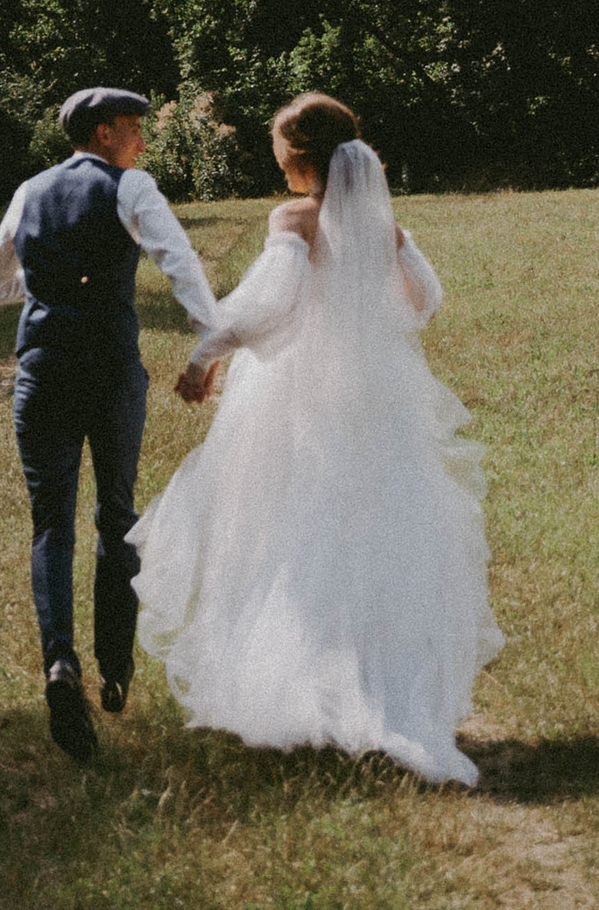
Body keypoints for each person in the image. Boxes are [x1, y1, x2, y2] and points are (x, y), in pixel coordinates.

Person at [134, 92, 500, 785]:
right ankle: (383, 685)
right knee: (373, 529)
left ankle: (299, 685)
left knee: (288, 525)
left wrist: (204, 354)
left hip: (300, 391)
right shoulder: (383, 225)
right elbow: (426, 299)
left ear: (299, 157)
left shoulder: (296, 217)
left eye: (280, 153)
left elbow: (272, 307)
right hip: (376, 392)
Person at [0, 85, 221, 764]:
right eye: (136, 129)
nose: (144, 141)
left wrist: (53, 280)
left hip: (43, 369)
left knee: (51, 521)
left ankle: (61, 667)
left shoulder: (29, 191)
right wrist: (211, 345)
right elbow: (180, 264)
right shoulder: (131, 188)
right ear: (107, 132)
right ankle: (116, 667)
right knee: (116, 512)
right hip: (110, 370)